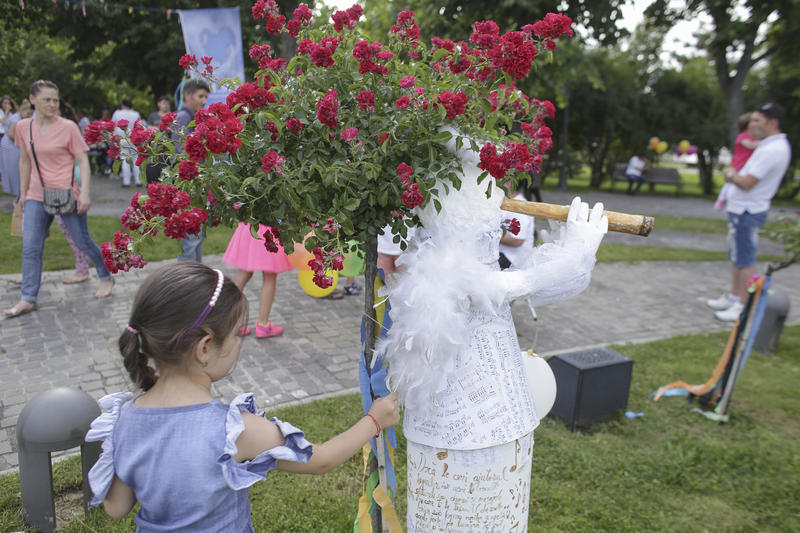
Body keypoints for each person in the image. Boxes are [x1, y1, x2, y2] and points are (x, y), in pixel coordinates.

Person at [84, 262, 400, 530]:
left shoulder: (124, 418)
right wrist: (375, 419)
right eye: (236, 333)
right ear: (205, 348)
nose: (238, 342)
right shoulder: (233, 431)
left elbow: (116, 507)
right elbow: (319, 460)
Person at [4, 80, 114, 318]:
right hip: (36, 194)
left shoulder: (68, 127)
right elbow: (24, 160)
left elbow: (83, 160)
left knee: (82, 241)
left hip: (67, 194)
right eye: (47, 100)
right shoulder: (24, 127)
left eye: (55, 100)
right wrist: (22, 193)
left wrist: (84, 192)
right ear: (33, 100)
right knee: (31, 246)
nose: (53, 104)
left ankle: (105, 276)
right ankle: (28, 298)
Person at [707, 103, 791, 321]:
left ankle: (743, 305)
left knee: (746, 260)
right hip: (741, 209)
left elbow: (747, 182)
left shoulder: (774, 149)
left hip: (748, 211)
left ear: (772, 123)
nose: (750, 125)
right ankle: (735, 296)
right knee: (737, 256)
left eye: (756, 120)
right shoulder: (766, 145)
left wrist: (730, 174)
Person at [222, 223, 293, 338]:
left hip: (249, 227)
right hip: (268, 229)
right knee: (270, 277)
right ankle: (263, 325)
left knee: (243, 273)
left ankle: (228, 323)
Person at [173, 78, 210, 262]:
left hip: (198, 186)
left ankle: (196, 280)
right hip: (188, 188)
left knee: (197, 238)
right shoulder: (183, 118)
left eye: (206, 97)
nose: (204, 101)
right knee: (190, 241)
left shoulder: (194, 118)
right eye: (200, 96)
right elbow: (182, 156)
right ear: (187, 95)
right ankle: (187, 283)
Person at [716, 113, 760, 211]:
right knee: (730, 184)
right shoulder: (743, 136)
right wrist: (763, 142)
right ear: (747, 126)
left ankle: (726, 200)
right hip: (739, 164)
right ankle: (721, 199)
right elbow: (750, 146)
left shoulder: (753, 138)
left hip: (746, 165)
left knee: (737, 184)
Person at [498, 180, 535, 270]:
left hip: (512, 259)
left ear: (509, 182)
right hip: (505, 253)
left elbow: (517, 240)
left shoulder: (518, 206)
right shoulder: (509, 201)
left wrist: (489, 236)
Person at [111, 99, 143, 188]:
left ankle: (126, 182)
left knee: (125, 159)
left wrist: (114, 139)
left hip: (122, 139)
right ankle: (138, 180)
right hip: (134, 138)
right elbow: (139, 125)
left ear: (122, 105)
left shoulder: (117, 113)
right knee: (136, 158)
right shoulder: (136, 114)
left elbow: (113, 125)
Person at [1, 99, 29, 197]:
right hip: (10, 146)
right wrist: (23, 143)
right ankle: (15, 190)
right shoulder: (16, 119)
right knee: (13, 168)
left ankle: (17, 190)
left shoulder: (18, 117)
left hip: (12, 144)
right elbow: (11, 134)